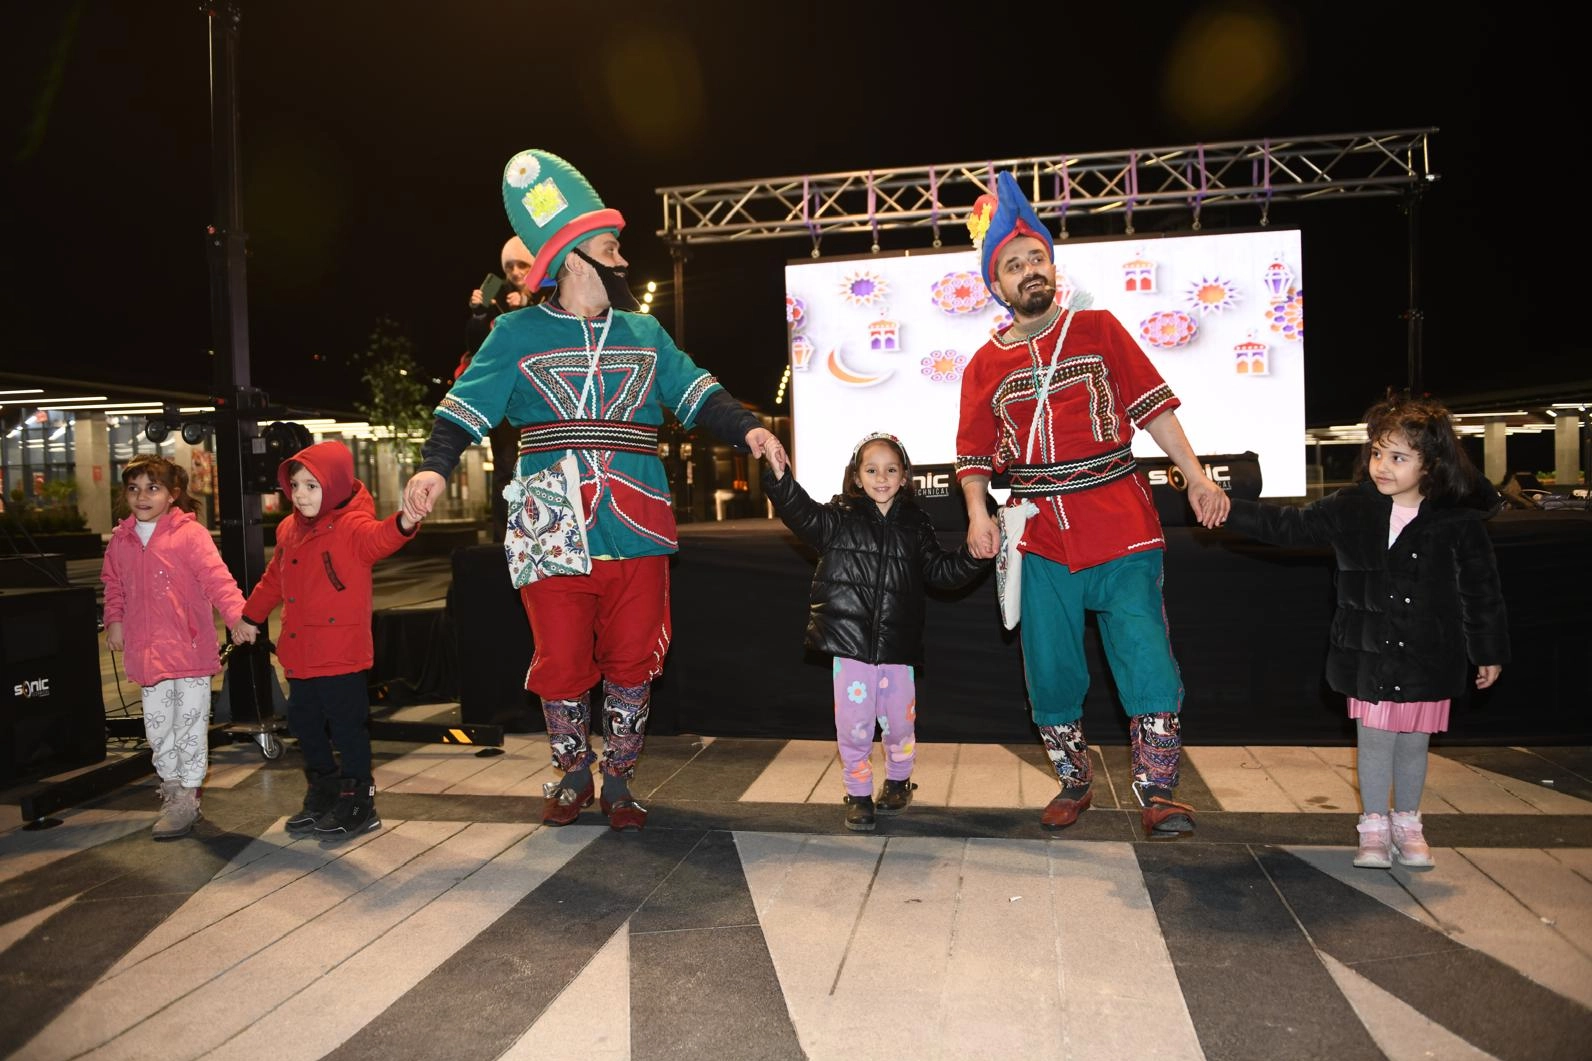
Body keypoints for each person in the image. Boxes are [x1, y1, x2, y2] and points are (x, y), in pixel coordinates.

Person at [401, 148, 784, 833]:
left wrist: (748, 430)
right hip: (550, 521)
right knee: (561, 658)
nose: (623, 260)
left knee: (635, 657)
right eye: (612, 247)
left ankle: (622, 780)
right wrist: (435, 465)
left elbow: (697, 391)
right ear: (577, 257)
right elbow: (463, 409)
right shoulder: (513, 332)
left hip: (637, 521)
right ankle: (574, 770)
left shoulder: (645, 332)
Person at [954, 172, 1230, 838]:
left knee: (1144, 653)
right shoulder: (982, 365)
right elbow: (971, 454)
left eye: (1036, 258)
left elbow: (1154, 409)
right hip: (1039, 532)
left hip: (1121, 518)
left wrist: (1194, 475)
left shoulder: (1101, 327)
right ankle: (1074, 780)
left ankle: (1159, 791)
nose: (1029, 271)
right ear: (999, 285)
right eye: (1014, 266)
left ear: (1053, 266)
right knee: (1050, 663)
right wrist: (977, 511)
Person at [1221, 396, 1509, 869]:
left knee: (1414, 743)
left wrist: (1488, 650)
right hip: (1367, 653)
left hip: (1429, 655)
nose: (1382, 466)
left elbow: (1481, 591)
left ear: (1431, 464)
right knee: (1374, 741)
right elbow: (1289, 526)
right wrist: (1228, 508)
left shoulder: (1458, 520)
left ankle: (1409, 826)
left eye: (1398, 457)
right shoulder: (1352, 507)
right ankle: (1373, 829)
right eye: (1377, 452)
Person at [763, 432, 988, 831]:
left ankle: (899, 781)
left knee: (900, 725)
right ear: (856, 477)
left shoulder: (916, 524)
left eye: (890, 469)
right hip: (850, 648)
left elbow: (941, 572)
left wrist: (973, 555)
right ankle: (859, 792)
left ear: (904, 478)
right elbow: (801, 513)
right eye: (871, 469)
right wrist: (780, 480)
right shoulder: (838, 517)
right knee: (854, 725)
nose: (880, 477)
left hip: (898, 649)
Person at [232, 440, 422, 843]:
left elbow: (381, 538)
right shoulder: (289, 530)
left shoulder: (352, 526)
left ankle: (359, 802)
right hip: (301, 653)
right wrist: (250, 616)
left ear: (334, 485)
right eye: (296, 486)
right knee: (304, 724)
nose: (301, 495)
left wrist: (406, 520)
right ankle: (324, 789)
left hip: (341, 655)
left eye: (312, 486)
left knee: (347, 728)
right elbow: (272, 580)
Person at [101, 455, 247, 840]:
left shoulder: (190, 534)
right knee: (158, 729)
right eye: (133, 489)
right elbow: (113, 586)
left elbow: (217, 579)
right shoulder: (121, 540)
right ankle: (172, 786)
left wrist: (237, 617)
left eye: (153, 488)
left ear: (172, 495)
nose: (142, 496)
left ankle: (187, 797)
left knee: (189, 728)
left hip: (190, 653)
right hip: (148, 657)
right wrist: (114, 621)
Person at [460, 236, 543, 543]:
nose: (515, 271)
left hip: (542, 400)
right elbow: (477, 349)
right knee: (504, 470)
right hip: (507, 400)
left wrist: (528, 306)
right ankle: (504, 538)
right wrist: (479, 315)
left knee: (543, 466)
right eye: (510, 266)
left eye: (522, 264)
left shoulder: (552, 294)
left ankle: (543, 533)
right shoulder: (497, 300)